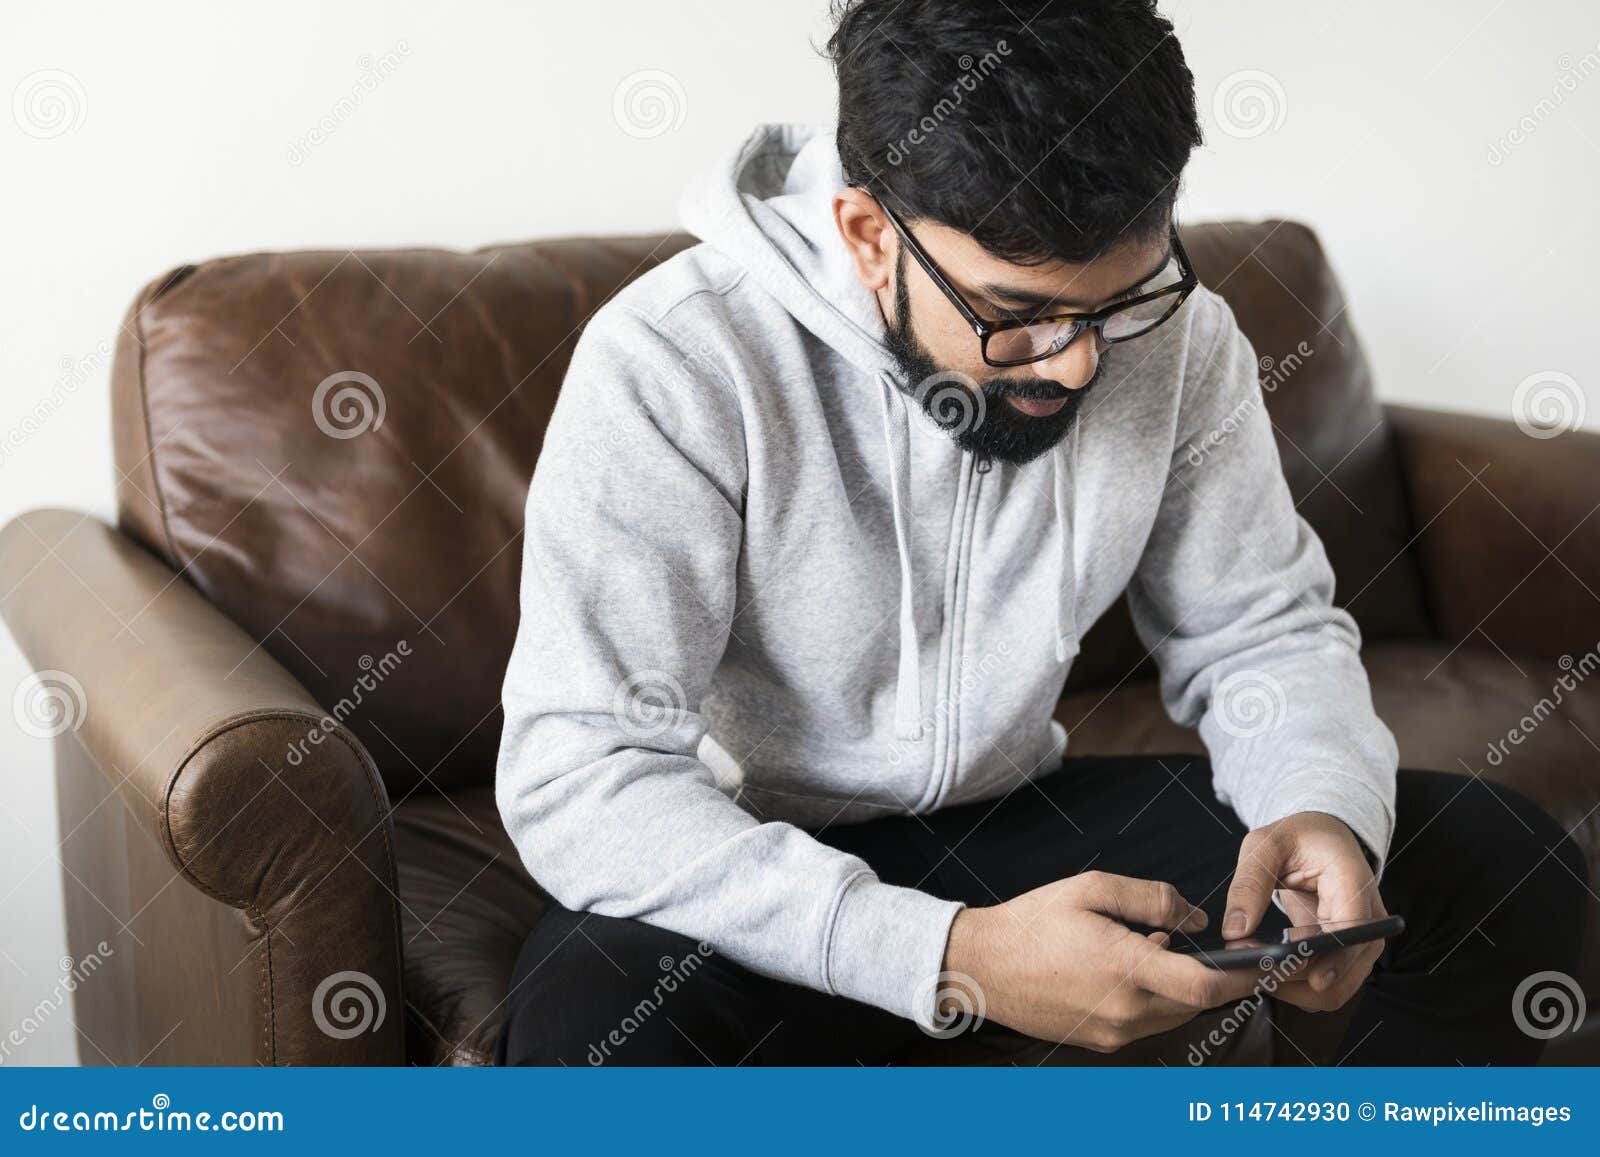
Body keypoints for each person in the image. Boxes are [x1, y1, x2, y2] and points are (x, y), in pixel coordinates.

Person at [494, 0, 1586, 1065]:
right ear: (870, 237)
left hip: (1010, 826)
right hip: (758, 862)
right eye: (1015, 317)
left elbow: (1260, 632)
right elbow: (580, 771)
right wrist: (949, 953)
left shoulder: (1183, 338)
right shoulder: (675, 360)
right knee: (599, 1009)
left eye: (1118, 302)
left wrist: (1321, 805)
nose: (1077, 364)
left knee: (1493, 863)